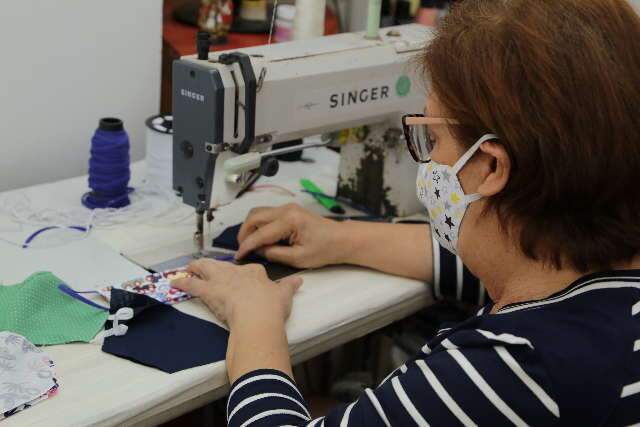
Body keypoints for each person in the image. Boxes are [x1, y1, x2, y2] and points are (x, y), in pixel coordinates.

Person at [173, 0, 640, 425]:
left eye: (432, 139)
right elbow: (485, 266)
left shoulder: (514, 368)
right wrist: (339, 238)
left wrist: (255, 319)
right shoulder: (591, 276)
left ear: (491, 166)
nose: (428, 157)